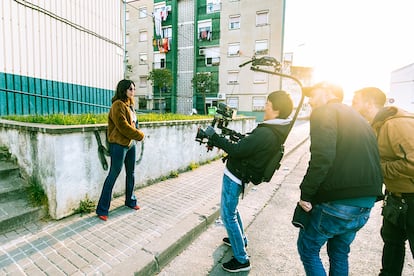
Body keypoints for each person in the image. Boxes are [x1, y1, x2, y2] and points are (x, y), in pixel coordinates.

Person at [297, 81, 383, 276]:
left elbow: (322, 157)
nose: (310, 100)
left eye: (313, 94)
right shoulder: (361, 119)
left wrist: (306, 194)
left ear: (328, 92)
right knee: (339, 252)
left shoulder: (325, 112)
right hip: (365, 204)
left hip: (338, 203)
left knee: (308, 249)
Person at [202, 91, 294, 272]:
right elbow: (248, 146)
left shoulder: (267, 132)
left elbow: (236, 151)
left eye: (267, 104)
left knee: (227, 214)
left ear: (276, 109)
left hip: (235, 174)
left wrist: (214, 137)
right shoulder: (274, 130)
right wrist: (233, 137)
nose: (264, 107)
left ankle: (242, 259)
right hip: (240, 173)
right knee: (232, 210)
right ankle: (240, 239)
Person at [352, 87, 414, 276]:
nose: (352, 106)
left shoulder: (395, 125)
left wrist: (378, 168)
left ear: (369, 104)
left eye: (356, 101)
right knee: (392, 245)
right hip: (395, 198)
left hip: (411, 199)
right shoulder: (377, 125)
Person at [96, 79, 145, 221]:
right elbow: (122, 126)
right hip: (118, 145)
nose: (133, 91)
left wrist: (135, 135)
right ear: (123, 90)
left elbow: (133, 124)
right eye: (130, 89)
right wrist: (140, 135)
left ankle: (130, 201)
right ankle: (102, 209)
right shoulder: (117, 105)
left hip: (130, 145)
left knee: (131, 173)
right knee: (113, 174)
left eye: (134, 89)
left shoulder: (129, 105)